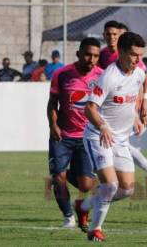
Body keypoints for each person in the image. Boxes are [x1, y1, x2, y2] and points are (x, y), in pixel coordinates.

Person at [82, 32, 146, 242]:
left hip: (120, 139)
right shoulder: (109, 76)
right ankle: (94, 230)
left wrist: (136, 113)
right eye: (134, 55)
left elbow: (139, 89)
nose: (138, 60)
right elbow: (90, 108)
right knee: (111, 185)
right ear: (121, 52)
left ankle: (84, 205)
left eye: (141, 55)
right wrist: (102, 126)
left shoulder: (138, 73)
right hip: (98, 136)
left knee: (127, 189)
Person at [98, 20, 147, 189]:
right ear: (103, 35)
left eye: (115, 34)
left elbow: (142, 78)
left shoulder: (131, 56)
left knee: (120, 143)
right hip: (107, 107)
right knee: (120, 143)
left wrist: (142, 106)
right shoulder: (103, 54)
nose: (112, 37)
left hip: (124, 108)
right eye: (109, 34)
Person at [47, 37, 103, 229]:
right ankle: (68, 217)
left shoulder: (102, 76)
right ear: (78, 54)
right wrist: (53, 125)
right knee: (58, 177)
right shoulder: (61, 74)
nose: (92, 59)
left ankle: (62, 174)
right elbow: (53, 103)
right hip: (62, 136)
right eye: (88, 54)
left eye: (96, 56)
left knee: (86, 185)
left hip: (87, 137)